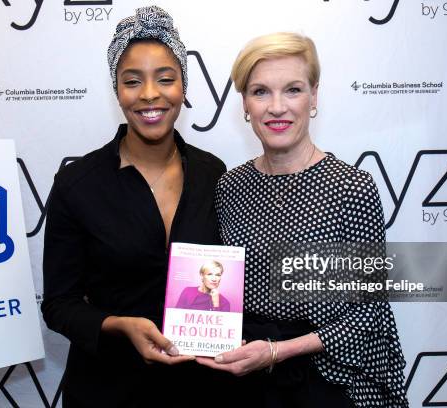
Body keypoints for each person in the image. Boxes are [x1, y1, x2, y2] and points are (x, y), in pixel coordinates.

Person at [197, 33, 409, 407]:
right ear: (244, 103)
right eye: (260, 92)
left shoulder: (351, 188)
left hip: (323, 381)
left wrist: (279, 351)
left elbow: (369, 313)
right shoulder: (229, 186)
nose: (277, 107)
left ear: (314, 96)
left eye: (292, 90)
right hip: (245, 380)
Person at [41, 6, 226, 407]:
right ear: (117, 90)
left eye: (165, 79)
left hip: (200, 390)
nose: (149, 95)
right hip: (107, 388)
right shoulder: (78, 184)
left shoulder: (214, 173)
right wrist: (118, 325)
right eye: (132, 81)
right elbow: (58, 304)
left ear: (183, 86)